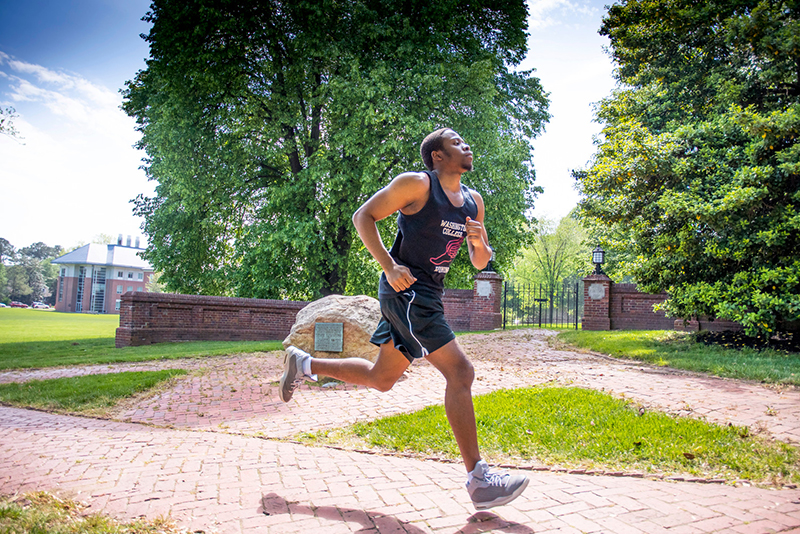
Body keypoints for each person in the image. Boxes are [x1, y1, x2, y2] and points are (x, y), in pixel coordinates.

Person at [279, 128, 528, 510]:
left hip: (428, 293)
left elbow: (480, 261)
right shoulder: (417, 184)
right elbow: (363, 216)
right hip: (406, 290)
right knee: (461, 373)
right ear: (438, 157)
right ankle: (479, 480)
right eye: (457, 143)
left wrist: (479, 242)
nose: (467, 146)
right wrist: (390, 266)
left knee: (382, 378)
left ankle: (305, 363)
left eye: (466, 141)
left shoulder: (473, 202)